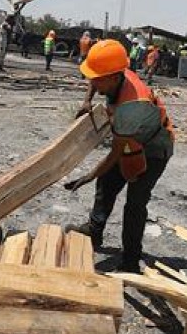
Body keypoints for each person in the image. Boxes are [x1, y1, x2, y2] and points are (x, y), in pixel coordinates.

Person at [66, 40, 174, 273]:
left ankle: (131, 261)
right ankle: (94, 232)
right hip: (132, 138)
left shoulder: (132, 106)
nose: (93, 81)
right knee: (108, 184)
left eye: (97, 78)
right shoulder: (114, 70)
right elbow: (95, 79)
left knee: (135, 203)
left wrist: (89, 175)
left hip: (153, 149)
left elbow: (115, 152)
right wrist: (87, 101)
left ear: (114, 77)